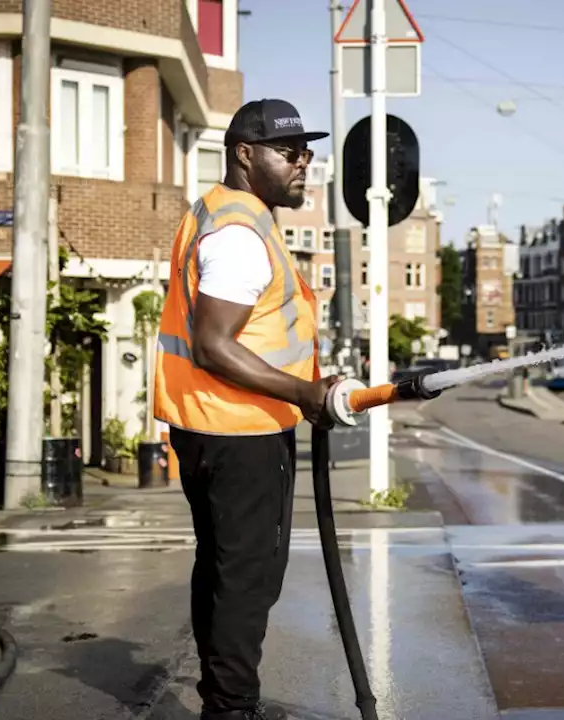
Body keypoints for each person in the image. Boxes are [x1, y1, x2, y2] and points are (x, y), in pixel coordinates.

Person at [153, 99, 337, 720]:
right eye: (289, 153)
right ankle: (232, 710)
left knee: (225, 567)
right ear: (244, 154)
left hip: (211, 425)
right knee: (248, 579)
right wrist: (306, 394)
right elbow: (213, 344)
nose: (302, 165)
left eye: (305, 153)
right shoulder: (237, 233)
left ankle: (225, 700)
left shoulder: (224, 213)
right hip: (241, 430)